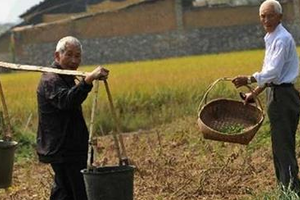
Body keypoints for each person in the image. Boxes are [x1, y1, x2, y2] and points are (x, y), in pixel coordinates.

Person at [232, 0, 300, 193]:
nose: (266, 19)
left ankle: (292, 190)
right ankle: (285, 188)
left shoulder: (282, 39)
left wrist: (248, 78)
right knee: (278, 145)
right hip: (276, 93)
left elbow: (274, 74)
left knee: (283, 146)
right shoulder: (271, 38)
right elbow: (268, 73)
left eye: (270, 15)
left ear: (280, 17)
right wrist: (253, 94)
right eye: (263, 16)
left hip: (284, 96)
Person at [36, 36, 109, 200]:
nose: (73, 60)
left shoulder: (67, 78)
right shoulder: (51, 79)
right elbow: (66, 101)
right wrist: (88, 81)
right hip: (63, 148)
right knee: (77, 192)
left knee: (64, 192)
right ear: (57, 56)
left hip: (71, 146)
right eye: (68, 55)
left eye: (77, 56)